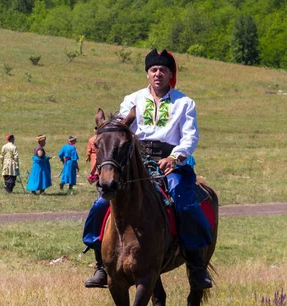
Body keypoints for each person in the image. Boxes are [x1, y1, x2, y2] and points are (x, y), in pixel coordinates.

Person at [84, 49, 213, 290]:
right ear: (147, 74)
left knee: (184, 203)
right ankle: (101, 265)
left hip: (172, 164)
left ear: (170, 74)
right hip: (136, 163)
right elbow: (119, 127)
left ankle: (196, 266)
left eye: (163, 70)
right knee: (102, 203)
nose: (158, 74)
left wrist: (175, 157)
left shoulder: (184, 103)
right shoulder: (132, 99)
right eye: (153, 69)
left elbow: (190, 137)